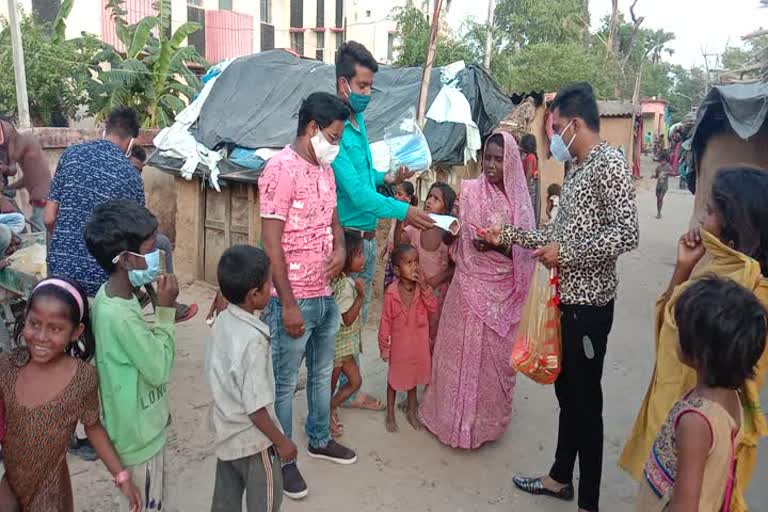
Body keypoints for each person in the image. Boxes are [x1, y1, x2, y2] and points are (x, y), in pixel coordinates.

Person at [480, 83, 639, 512]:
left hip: (589, 308)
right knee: (568, 395)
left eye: (554, 128)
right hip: (563, 303)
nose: (552, 138)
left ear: (572, 124)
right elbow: (552, 237)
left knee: (585, 402)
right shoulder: (579, 169)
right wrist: (507, 236)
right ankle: (558, 478)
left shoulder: (609, 165)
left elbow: (628, 234)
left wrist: (566, 253)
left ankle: (588, 501)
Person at [620, 167, 768, 512]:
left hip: (699, 444)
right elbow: (669, 330)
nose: (701, 219)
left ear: (735, 225)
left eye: (710, 211)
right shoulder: (717, 271)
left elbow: (742, 378)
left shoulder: (754, 297)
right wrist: (683, 269)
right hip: (680, 426)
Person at [259, 92, 356, 501]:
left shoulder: (324, 169)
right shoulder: (280, 169)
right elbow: (270, 245)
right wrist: (290, 304)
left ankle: (318, 437)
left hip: (326, 295)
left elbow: (335, 223)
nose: (336, 146)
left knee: (319, 374)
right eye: (333, 136)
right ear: (312, 129)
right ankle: (284, 458)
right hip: (292, 300)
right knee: (283, 384)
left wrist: (337, 250)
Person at [332, 41, 434, 412]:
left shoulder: (356, 125)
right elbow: (357, 194)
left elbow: (364, 178)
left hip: (364, 239)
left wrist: (388, 176)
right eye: (362, 87)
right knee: (343, 321)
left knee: (353, 319)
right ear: (344, 85)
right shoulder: (336, 128)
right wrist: (402, 211)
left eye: (370, 87)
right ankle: (340, 391)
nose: (367, 94)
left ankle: (348, 385)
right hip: (347, 241)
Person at [418, 131, 535, 449]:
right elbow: (446, 239)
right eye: (489, 158)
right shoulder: (467, 192)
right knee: (454, 356)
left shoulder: (520, 205)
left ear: (511, 162)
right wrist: (448, 228)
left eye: (499, 159)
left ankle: (484, 426)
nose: (493, 164)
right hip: (465, 288)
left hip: (500, 296)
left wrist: (497, 247)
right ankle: (447, 419)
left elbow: (526, 254)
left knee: (491, 362)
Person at [0, 277, 142, 511]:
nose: (41, 336)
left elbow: (93, 427)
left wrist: (122, 477)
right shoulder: (8, 367)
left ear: (76, 331)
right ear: (24, 318)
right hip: (11, 485)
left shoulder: (82, 378)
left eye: (55, 328)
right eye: (34, 323)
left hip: (51, 494)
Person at [635, 277, 766, 511]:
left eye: (681, 328)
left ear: (699, 353)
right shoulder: (731, 397)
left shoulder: (695, 422)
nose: (676, 332)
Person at [84, 199, 178, 511]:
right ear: (125, 260)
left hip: (133, 426)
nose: (159, 254)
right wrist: (165, 311)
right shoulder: (121, 316)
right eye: (151, 247)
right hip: (139, 440)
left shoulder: (110, 297)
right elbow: (159, 369)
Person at [206, 245, 296, 512]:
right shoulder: (253, 341)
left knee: (225, 500)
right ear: (254, 294)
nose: (272, 288)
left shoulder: (221, 322)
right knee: (266, 502)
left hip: (226, 432)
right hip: (255, 442)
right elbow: (256, 409)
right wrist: (282, 442)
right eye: (268, 284)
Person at [46, 107, 145, 298]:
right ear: (132, 141)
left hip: (60, 275)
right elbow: (136, 239)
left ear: (104, 130)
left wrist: (70, 243)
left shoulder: (71, 155)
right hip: (102, 281)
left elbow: (49, 218)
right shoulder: (132, 177)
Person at [128, 144, 198, 323]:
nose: (137, 175)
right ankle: (168, 300)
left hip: (121, 238)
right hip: (122, 242)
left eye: (139, 171)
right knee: (163, 243)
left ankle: (149, 294)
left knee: (158, 241)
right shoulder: (127, 182)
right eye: (135, 169)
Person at [379, 244, 437, 433]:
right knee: (394, 379)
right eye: (409, 263)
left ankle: (412, 411)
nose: (414, 267)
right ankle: (390, 412)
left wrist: (425, 286)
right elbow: (385, 321)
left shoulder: (422, 289)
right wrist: (384, 347)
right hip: (399, 345)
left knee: (413, 377)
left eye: (416, 262)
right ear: (396, 269)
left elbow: (433, 308)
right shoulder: (391, 293)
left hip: (417, 343)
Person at [394, 182, 456, 344]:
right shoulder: (416, 227)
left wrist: (436, 280)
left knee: (434, 335)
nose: (429, 201)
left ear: (445, 208)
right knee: (416, 332)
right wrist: (401, 217)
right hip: (415, 290)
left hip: (438, 293)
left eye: (436, 199)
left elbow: (454, 266)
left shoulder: (448, 234)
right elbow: (398, 247)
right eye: (429, 196)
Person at [330, 232, 366, 438]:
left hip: (345, 348)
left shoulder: (345, 281)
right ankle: (325, 416)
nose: (364, 258)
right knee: (332, 385)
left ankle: (330, 407)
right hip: (337, 349)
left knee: (355, 382)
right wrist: (361, 297)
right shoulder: (345, 287)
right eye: (359, 254)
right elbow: (348, 318)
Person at [0, 116, 50, 232]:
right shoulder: (29, 148)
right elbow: (27, 178)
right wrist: (9, 187)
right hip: (42, 195)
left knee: (38, 231)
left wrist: (5, 169)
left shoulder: (24, 140)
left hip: (41, 196)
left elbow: (12, 170)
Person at [381, 182, 418, 293]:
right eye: (395, 193)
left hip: (402, 259)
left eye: (399, 194)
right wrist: (385, 247)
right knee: (388, 287)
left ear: (408, 198)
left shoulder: (409, 217)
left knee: (396, 288)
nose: (396, 196)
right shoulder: (396, 213)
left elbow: (401, 241)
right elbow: (391, 233)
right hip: (393, 256)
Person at [520, 133, 540, 224]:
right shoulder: (530, 156)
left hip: (529, 188)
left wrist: (524, 190)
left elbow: (528, 175)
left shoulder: (530, 157)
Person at [655, 151, 673, 219]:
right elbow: (656, 176)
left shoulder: (668, 167)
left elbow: (674, 173)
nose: (662, 162)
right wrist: (654, 176)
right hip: (658, 186)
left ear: (667, 160)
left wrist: (667, 173)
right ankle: (658, 211)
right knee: (658, 199)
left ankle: (659, 213)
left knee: (660, 198)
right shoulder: (658, 167)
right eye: (661, 160)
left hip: (664, 186)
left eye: (664, 160)